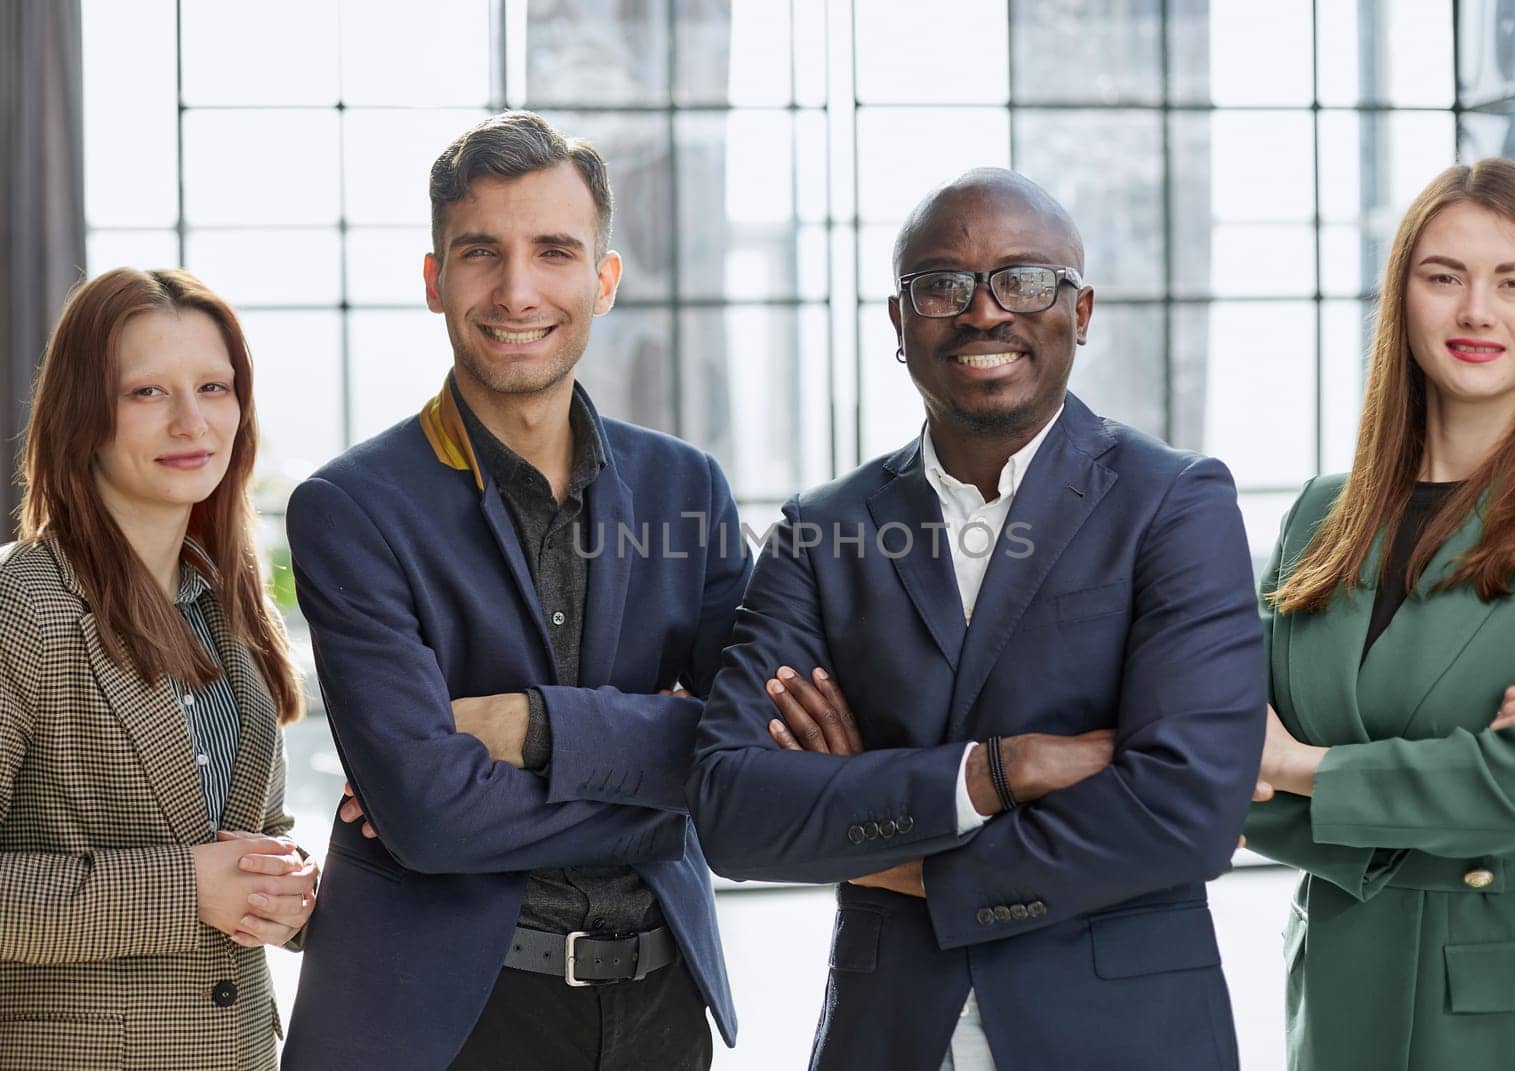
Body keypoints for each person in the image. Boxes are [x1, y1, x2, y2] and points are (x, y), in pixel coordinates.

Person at [689, 168, 1266, 1070]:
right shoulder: (822, 527)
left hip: (1125, 1036)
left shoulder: (1174, 503)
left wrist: (891, 831)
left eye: (1025, 279)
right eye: (941, 285)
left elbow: (1188, 807)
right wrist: (1005, 768)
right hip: (887, 1036)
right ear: (898, 323)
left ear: (1080, 312)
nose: (984, 311)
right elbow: (731, 806)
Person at [279, 111, 749, 1071]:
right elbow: (430, 815)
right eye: (480, 252)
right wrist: (672, 768)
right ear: (434, 279)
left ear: (603, 281)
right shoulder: (351, 509)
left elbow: (750, 755)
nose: (517, 289)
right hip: (448, 1023)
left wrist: (534, 728)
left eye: (555, 251)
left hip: (661, 1010)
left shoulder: (686, 488)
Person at [1246, 157, 1515, 1069]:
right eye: (1444, 277)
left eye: (1514, 282)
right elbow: (1221, 770)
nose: (1476, 310)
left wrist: (1301, 763)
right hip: (1335, 1001)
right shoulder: (1318, 517)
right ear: (1402, 303)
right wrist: (1456, 769)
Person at [0, 267, 316, 1070]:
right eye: (147, 392)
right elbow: (196, 875)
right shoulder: (21, 606)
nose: (191, 420)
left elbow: (239, 835)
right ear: (84, 414)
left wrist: (288, 886)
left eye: (213, 385)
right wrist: (187, 889)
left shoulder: (233, 608)